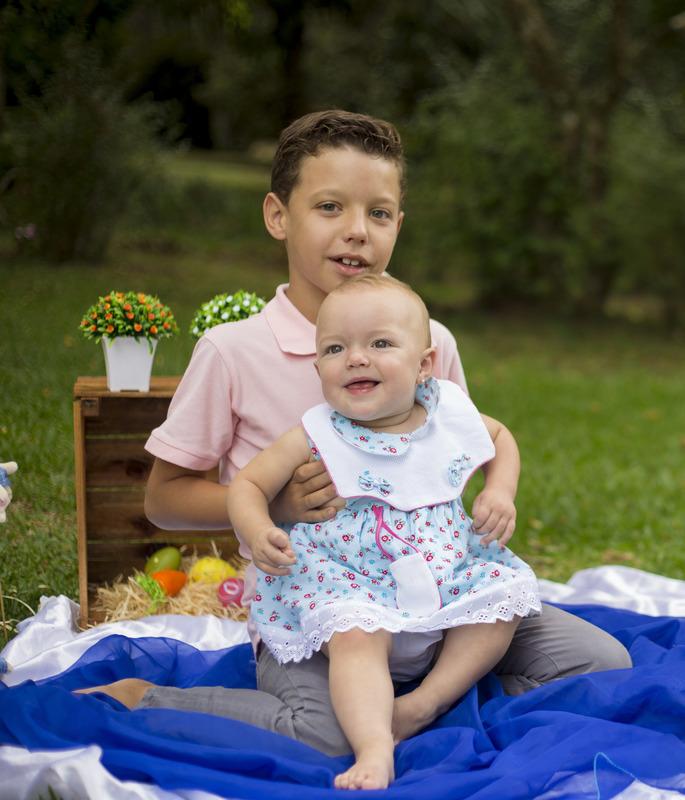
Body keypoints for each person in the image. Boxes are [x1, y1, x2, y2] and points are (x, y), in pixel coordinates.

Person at [81, 109, 630, 760]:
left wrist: (491, 496)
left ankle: (427, 701)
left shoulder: (428, 342)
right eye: (330, 207)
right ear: (279, 215)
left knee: (601, 663)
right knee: (330, 734)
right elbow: (162, 500)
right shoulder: (235, 351)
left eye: (378, 212)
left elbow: (458, 450)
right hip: (324, 609)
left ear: (398, 224)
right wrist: (277, 507)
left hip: (438, 593)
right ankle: (152, 701)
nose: (356, 231)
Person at [232, 274, 540, 789]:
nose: (356, 357)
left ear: (424, 364)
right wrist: (258, 526)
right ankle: (375, 748)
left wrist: (499, 490)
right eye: (335, 348)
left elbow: (500, 437)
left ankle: (423, 703)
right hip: (350, 577)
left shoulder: (449, 412)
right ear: (318, 368)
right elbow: (247, 483)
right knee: (358, 633)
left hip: (445, 570)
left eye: (379, 343)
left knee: (498, 600)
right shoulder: (317, 432)